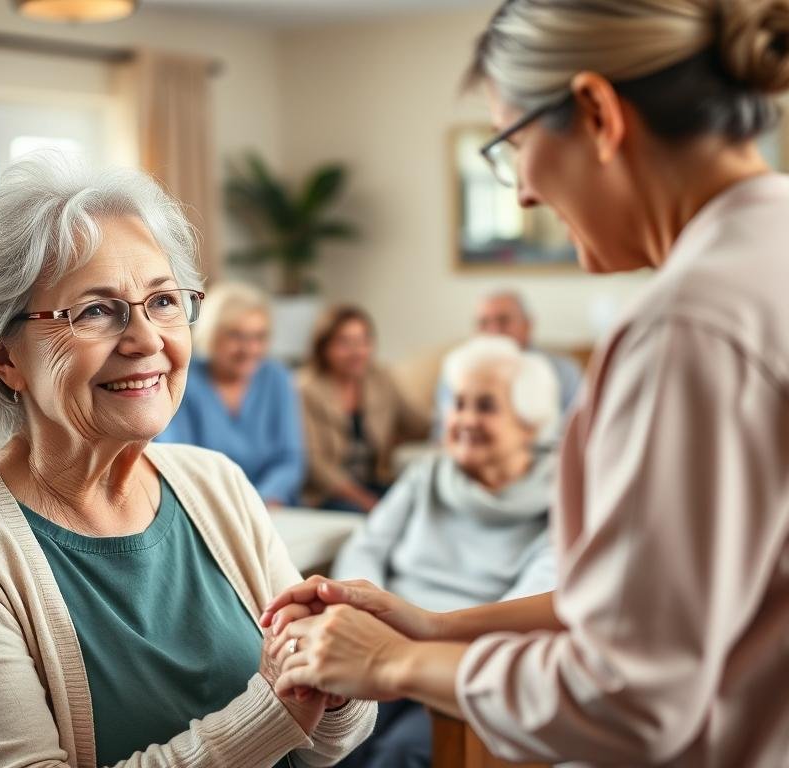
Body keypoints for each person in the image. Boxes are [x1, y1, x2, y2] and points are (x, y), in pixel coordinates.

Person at [262, 1, 789, 765]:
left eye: (510, 146)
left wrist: (388, 663)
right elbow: (667, 601)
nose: (524, 195)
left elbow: (632, 695)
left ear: (598, 112)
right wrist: (433, 627)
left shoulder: (689, 327)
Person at [0, 153, 375, 767]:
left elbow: (321, 747)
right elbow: (277, 721)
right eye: (94, 310)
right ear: (4, 358)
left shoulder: (215, 482)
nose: (147, 340)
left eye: (163, 301)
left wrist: (331, 678)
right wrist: (269, 712)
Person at [330, 335, 559, 767]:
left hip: (472, 659)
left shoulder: (561, 497)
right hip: (386, 636)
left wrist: (422, 644)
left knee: (401, 752)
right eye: (458, 403)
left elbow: (532, 601)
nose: (465, 419)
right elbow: (366, 546)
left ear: (531, 423)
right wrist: (371, 615)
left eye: (486, 406)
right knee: (329, 731)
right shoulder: (428, 472)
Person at [156, 281, 304, 506]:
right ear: (211, 335)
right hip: (205, 507)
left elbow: (289, 458)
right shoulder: (182, 380)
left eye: (259, 337)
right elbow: (178, 461)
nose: (249, 349)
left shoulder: (277, 377)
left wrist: (261, 501)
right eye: (236, 336)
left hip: (271, 507)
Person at [297, 305, 430, 513]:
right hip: (328, 493)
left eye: (363, 341)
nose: (356, 352)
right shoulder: (304, 389)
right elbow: (315, 465)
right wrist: (367, 502)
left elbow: (419, 423)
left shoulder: (381, 378)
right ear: (323, 347)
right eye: (344, 342)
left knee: (424, 505)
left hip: (374, 481)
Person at [434, 291, 582, 435]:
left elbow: (577, 432)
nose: (494, 331)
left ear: (527, 325)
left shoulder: (563, 371)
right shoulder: (456, 368)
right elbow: (443, 432)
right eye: (483, 322)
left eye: (503, 320)